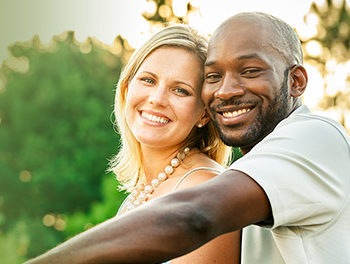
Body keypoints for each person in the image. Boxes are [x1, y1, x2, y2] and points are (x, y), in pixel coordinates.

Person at [25, 11, 350, 264]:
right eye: (214, 77)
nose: (227, 90)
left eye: (250, 71)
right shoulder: (251, 177)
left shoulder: (317, 137)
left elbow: (192, 217)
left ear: (296, 81)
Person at [27, 24, 241, 263]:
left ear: (204, 113)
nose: (157, 99)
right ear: (127, 88)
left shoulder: (207, 189)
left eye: (180, 90)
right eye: (148, 80)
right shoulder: (139, 193)